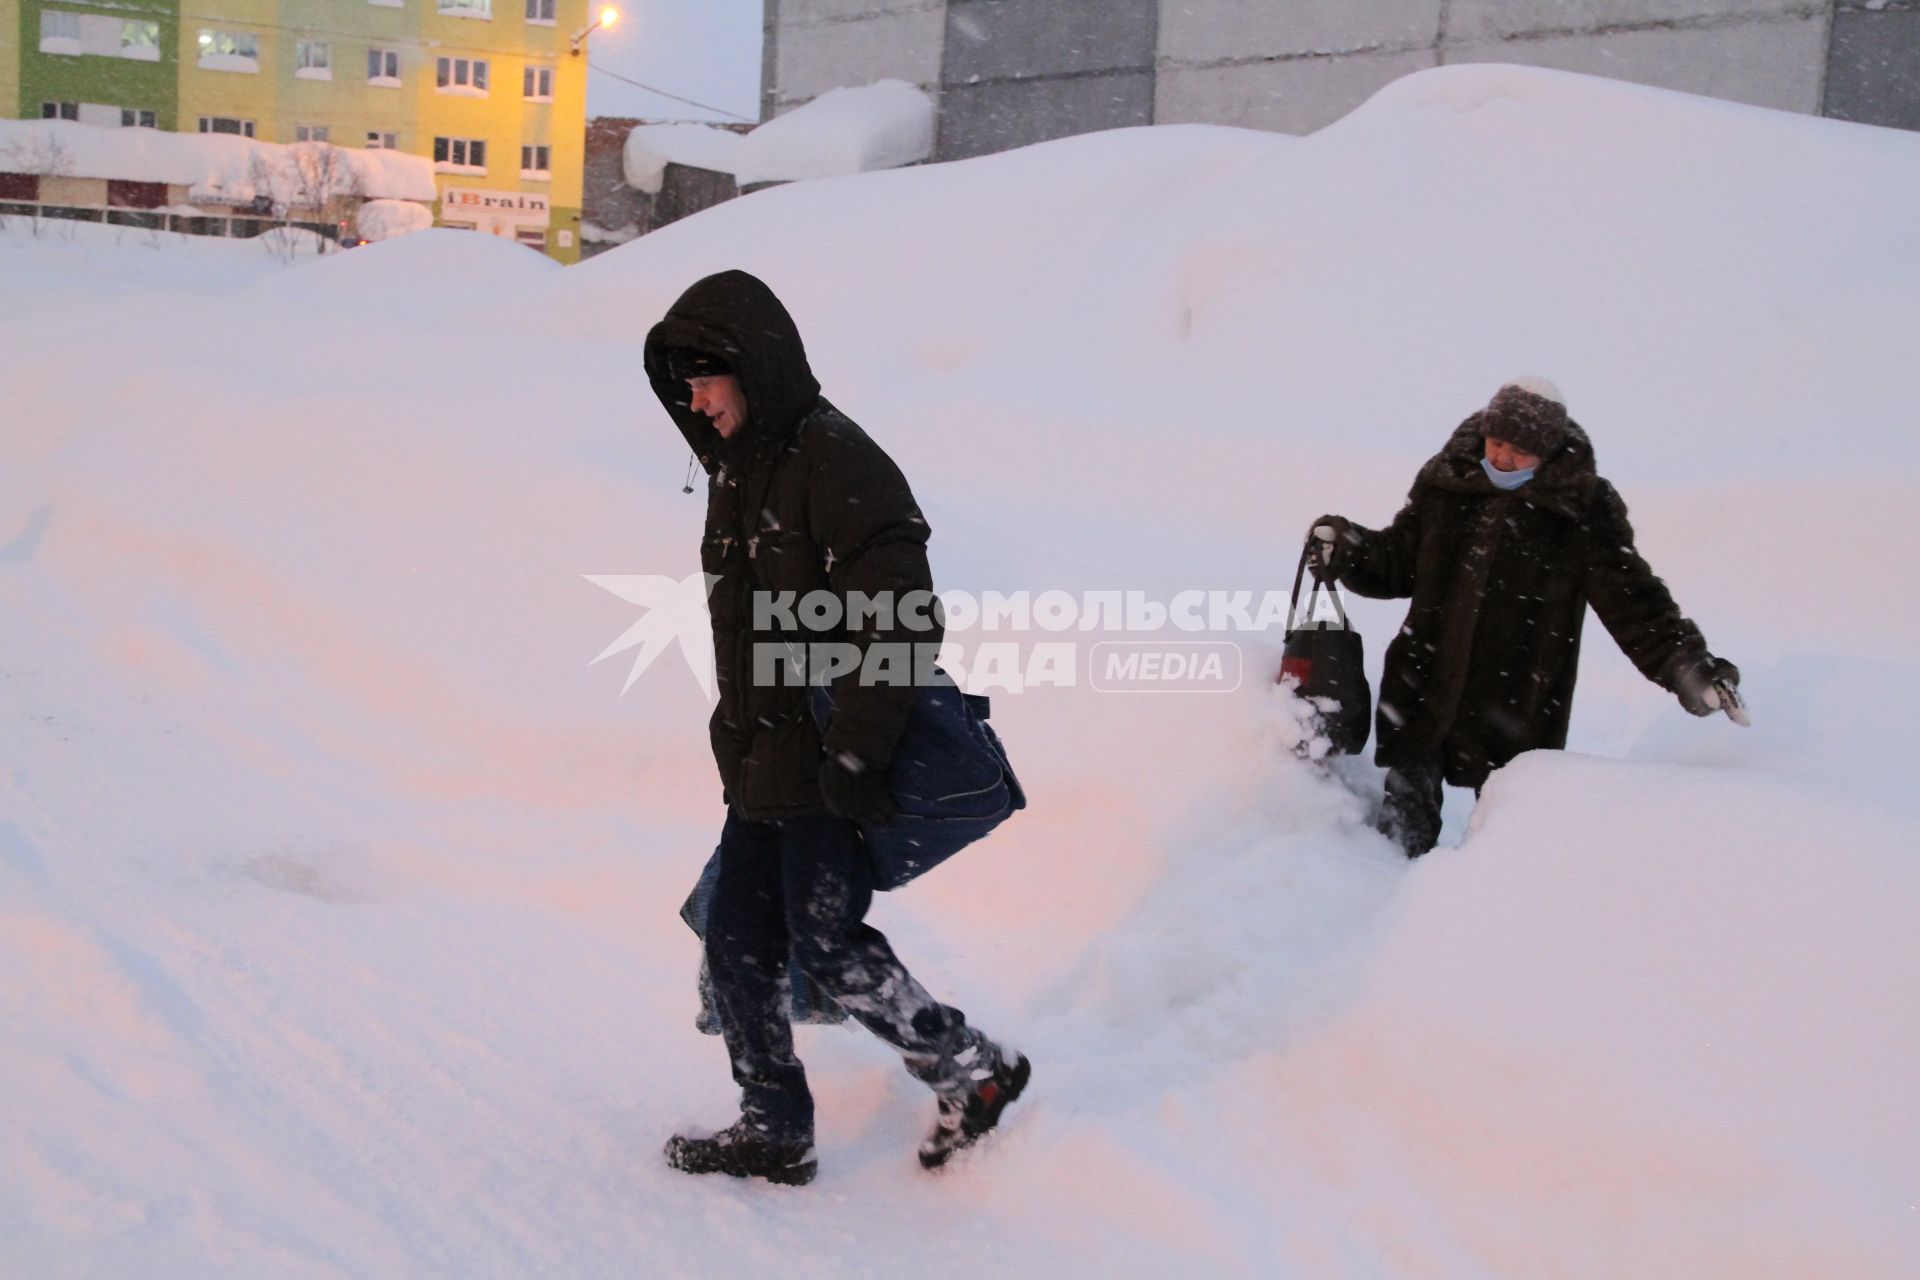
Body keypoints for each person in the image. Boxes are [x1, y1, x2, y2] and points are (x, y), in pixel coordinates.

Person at [644, 270, 1028, 1186]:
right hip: (763, 760)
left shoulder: (839, 461)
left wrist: (857, 744)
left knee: (825, 941)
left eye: (706, 381)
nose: (693, 402)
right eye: (685, 386)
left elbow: (899, 616)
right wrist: (733, 734)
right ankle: (775, 1126)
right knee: (737, 945)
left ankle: (973, 1070)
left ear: (752, 369)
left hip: (824, 759)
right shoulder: (738, 470)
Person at [1310, 377, 1741, 857]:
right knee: (1398, 836)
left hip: (1515, 701)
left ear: (1549, 453)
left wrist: (1689, 667)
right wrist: (1351, 550)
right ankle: (1383, 898)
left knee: (1503, 844)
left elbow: (1635, 602)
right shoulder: (1447, 480)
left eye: (1520, 451)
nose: (1502, 459)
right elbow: (1401, 560)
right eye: (1496, 443)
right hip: (1425, 683)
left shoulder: (1582, 511)